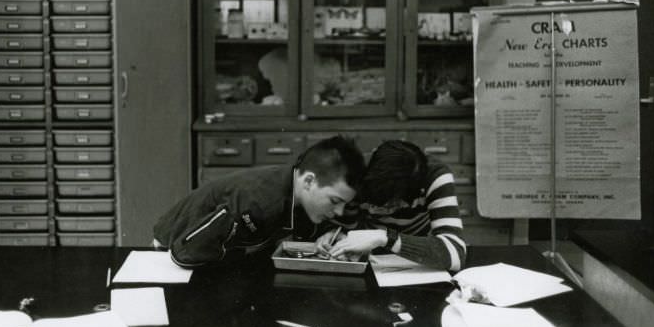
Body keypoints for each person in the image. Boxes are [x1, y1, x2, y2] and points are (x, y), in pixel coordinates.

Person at [153, 135, 365, 268]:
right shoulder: (258, 202)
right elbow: (186, 253)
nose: (339, 212)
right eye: (335, 201)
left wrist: (326, 232)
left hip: (216, 253)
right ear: (309, 181)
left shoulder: (296, 184)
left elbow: (301, 216)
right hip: (173, 255)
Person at [318, 140, 466, 271]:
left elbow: (455, 253)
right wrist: (333, 234)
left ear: (413, 196)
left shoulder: (435, 176)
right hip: (366, 261)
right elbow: (338, 224)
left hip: (414, 259)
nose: (371, 210)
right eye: (368, 202)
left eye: (388, 207)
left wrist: (387, 238)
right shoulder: (354, 172)